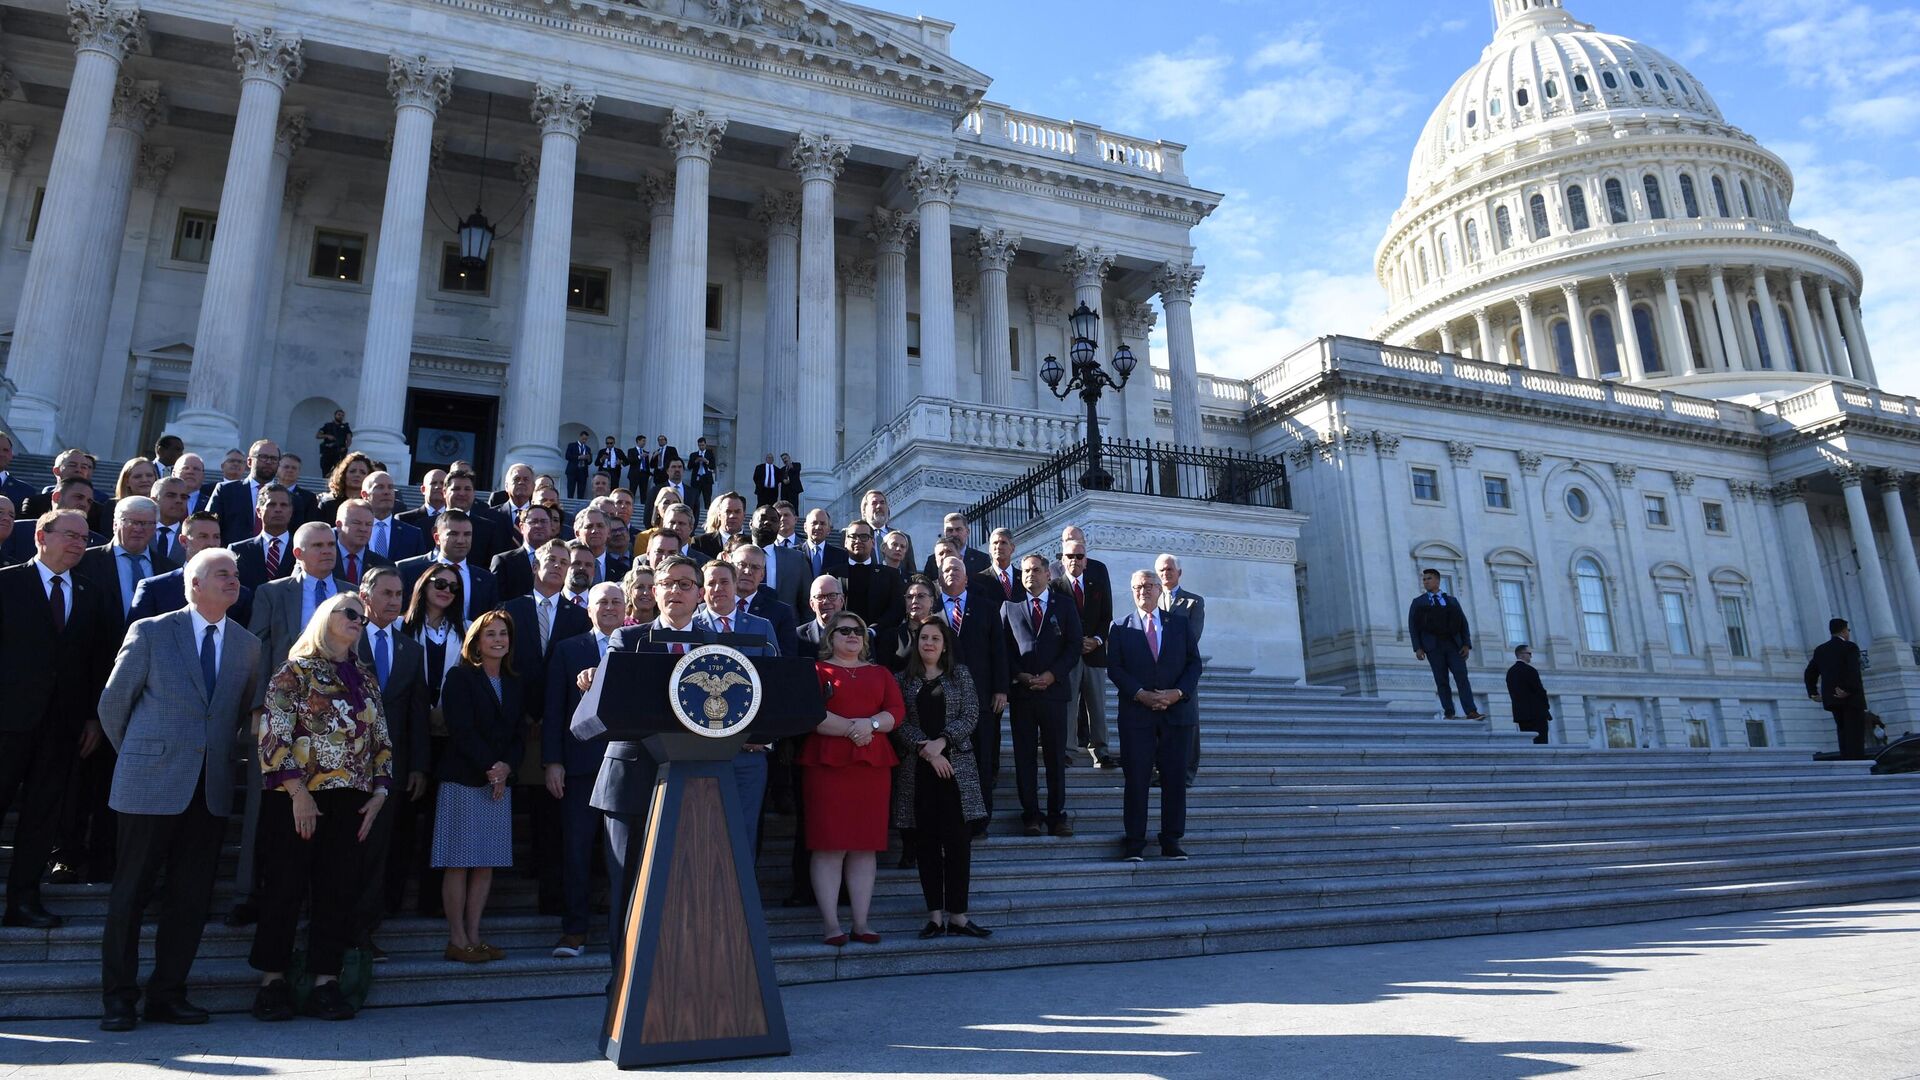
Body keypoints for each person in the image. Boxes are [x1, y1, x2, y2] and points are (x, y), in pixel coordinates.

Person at [97, 548, 263, 1031]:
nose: (234, 581)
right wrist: (141, 756)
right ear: (194, 583)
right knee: (130, 895)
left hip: (208, 791)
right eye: (222, 574)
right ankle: (119, 998)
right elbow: (113, 705)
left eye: (235, 574)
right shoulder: (149, 631)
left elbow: (236, 716)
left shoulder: (247, 645)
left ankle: (168, 993)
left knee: (190, 899)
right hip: (149, 786)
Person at [251, 592, 393, 1022]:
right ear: (324, 617)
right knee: (283, 887)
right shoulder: (293, 672)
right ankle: (271, 983)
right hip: (295, 798)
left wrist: (381, 793)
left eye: (363, 618)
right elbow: (272, 736)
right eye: (350, 612)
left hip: (351, 797)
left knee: (337, 891)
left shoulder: (365, 678)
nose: (358, 620)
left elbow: (380, 738)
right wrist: (299, 794)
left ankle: (324, 983)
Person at [0, 509, 114, 928]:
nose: (78, 544)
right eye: (70, 535)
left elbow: (97, 660)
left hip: (62, 727)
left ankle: (24, 901)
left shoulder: (89, 591)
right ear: (41, 537)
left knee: (42, 816)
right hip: (7, 721)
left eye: (84, 538)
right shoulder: (7, 582)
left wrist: (91, 718)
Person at [56, 496, 178, 886]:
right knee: (79, 780)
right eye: (132, 521)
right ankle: (68, 855)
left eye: (148, 523)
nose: (140, 529)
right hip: (87, 692)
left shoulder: (168, 571)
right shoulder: (87, 562)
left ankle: (107, 860)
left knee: (119, 781)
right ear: (115, 522)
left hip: (143, 699)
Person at [802, 610, 901, 946]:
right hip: (828, 767)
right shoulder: (816, 671)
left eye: (858, 630)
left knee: (864, 847)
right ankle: (831, 925)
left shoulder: (881, 673)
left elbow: (896, 712)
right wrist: (853, 729)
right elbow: (811, 713)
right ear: (830, 636)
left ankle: (861, 923)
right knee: (830, 845)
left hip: (871, 769)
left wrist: (869, 726)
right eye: (844, 630)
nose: (852, 635)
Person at [433, 609, 524, 963]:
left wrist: (506, 767)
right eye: (490, 634)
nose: (498, 640)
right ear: (476, 641)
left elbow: (518, 734)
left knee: (485, 863)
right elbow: (461, 729)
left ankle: (474, 935)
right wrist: (491, 768)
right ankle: (456, 939)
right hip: (465, 779)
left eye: (503, 634)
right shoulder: (459, 677)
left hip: (499, 782)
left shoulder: (515, 681)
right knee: (458, 862)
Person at [892, 617, 989, 938]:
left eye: (935, 638)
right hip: (919, 774)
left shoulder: (959, 675)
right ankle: (935, 916)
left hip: (957, 772)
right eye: (923, 638)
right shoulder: (903, 680)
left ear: (945, 644)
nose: (929, 643)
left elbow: (971, 714)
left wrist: (942, 742)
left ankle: (958, 916)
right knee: (927, 845)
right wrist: (927, 751)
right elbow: (900, 723)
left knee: (959, 845)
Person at [351, 568, 430, 959]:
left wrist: (417, 766)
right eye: (385, 593)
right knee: (341, 851)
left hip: (389, 769)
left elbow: (417, 712)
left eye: (399, 594)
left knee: (377, 852)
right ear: (364, 595)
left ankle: (364, 931)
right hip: (341, 767)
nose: (393, 600)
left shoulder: (410, 650)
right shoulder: (342, 640)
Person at [542, 581, 622, 959]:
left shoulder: (639, 647)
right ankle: (574, 931)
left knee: (621, 854)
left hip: (627, 767)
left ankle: (624, 933)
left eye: (615, 602)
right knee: (575, 851)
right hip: (579, 768)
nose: (609, 608)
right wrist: (553, 761)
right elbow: (554, 710)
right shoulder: (567, 650)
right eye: (601, 602)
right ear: (587, 609)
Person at [1108, 570, 1201, 862]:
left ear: (1160, 590)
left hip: (1176, 715)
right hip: (1137, 715)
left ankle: (1171, 840)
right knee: (1136, 780)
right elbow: (1115, 668)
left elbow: (1193, 665)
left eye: (1149, 586)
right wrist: (1140, 694)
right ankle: (1135, 842)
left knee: (1174, 780)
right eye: (1137, 587)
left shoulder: (1180, 624)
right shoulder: (1119, 626)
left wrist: (1177, 694)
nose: (1143, 591)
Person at [1001, 553, 1080, 837]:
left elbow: (1073, 647)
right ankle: (1031, 815)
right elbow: (1003, 649)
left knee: (1055, 758)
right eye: (1025, 571)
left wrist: (1052, 675)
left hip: (1055, 693)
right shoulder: (1009, 607)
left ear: (1048, 575)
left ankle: (1058, 815)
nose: (1030, 575)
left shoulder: (1066, 606)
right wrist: (1019, 675)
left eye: (1035, 570)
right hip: (1023, 694)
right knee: (1025, 758)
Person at [935, 555, 1009, 830]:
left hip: (981, 696)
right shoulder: (931, 610)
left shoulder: (987, 608)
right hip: (941, 698)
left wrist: (1001, 689)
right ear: (939, 577)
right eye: (946, 570)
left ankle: (979, 818)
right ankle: (950, 815)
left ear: (967, 578)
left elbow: (999, 651)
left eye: (957, 569)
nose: (951, 573)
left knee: (981, 759)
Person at [130, 512, 256, 627]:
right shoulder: (154, 589)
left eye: (216, 537)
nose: (211, 543)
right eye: (203, 536)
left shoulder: (240, 595)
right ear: (184, 541)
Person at [1058, 532, 1116, 769]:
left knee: (1097, 706)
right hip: (1069, 656)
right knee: (1069, 705)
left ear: (1085, 560)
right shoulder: (1055, 587)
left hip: (1095, 654)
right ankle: (1067, 750)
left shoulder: (1097, 584)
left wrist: (1098, 640)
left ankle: (1101, 752)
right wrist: (1074, 642)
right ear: (1062, 559)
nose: (1074, 560)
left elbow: (1106, 617)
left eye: (1079, 556)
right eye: (1070, 556)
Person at [1156, 553, 1207, 784]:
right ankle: (1161, 771)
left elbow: (1193, 635)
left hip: (1183, 669)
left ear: (1179, 573)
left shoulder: (1193, 602)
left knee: (1189, 721)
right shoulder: (1152, 600)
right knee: (1160, 724)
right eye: (1162, 570)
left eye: (1169, 569)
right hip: (1156, 671)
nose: (1165, 573)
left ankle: (1187, 772)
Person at [1408, 567, 1483, 720]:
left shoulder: (1451, 600)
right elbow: (1413, 626)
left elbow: (1463, 623)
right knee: (1441, 680)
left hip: (1453, 645)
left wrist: (1466, 644)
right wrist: (1418, 647)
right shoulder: (1418, 602)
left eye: (1429, 578)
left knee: (1462, 677)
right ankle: (1449, 712)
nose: (1426, 582)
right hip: (1433, 647)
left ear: (1437, 580)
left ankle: (1471, 711)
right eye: (1424, 579)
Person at [396, 510, 499, 619]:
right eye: (453, 534)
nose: (461, 540)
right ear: (437, 538)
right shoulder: (410, 572)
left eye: (467, 534)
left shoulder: (487, 580)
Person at [1806, 618, 1868, 760]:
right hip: (1851, 698)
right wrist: (1847, 689)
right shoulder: (1850, 647)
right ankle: (1856, 764)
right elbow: (1853, 671)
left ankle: (1846, 761)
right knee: (1855, 734)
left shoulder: (1821, 650)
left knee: (1842, 732)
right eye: (1848, 630)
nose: (1848, 633)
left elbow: (1810, 672)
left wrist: (1813, 692)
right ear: (1844, 630)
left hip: (1832, 699)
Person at [729, 540, 800, 659]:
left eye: (755, 567)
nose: (748, 571)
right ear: (731, 568)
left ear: (762, 575)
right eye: (742, 565)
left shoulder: (781, 613)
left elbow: (787, 659)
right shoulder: (709, 608)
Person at [210, 439, 283, 546]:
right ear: (249, 462)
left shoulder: (289, 497)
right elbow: (209, 526)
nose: (268, 462)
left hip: (273, 559)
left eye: (273, 459)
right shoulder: (225, 491)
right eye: (263, 457)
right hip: (230, 558)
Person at [230, 483, 298, 592]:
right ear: (258, 511)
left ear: (291, 511)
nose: (278, 509)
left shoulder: (304, 549)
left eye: (284, 505)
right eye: (271, 504)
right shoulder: (238, 550)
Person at [840, 520, 906, 630]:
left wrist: (874, 631)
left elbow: (896, 610)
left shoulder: (890, 575)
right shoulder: (831, 574)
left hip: (878, 641)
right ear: (845, 542)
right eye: (853, 536)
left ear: (873, 542)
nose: (858, 541)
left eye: (864, 537)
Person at [877, 575, 941, 673]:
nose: (914, 601)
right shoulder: (891, 636)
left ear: (932, 601)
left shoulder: (945, 634)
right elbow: (883, 674)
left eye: (921, 596)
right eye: (909, 597)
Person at [360, 471, 427, 563]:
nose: (387, 492)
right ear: (365, 495)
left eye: (390, 487)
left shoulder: (413, 535)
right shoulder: (354, 530)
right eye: (380, 487)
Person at [753, 504, 809, 614]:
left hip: (783, 628)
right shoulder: (735, 556)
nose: (767, 522)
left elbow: (806, 603)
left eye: (774, 520)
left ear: (779, 526)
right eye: (763, 518)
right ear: (751, 523)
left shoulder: (797, 559)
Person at [1506, 644, 1551, 744]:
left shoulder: (1510, 672)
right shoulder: (1530, 670)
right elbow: (1540, 691)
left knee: (1529, 744)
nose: (1531, 656)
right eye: (1529, 653)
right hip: (1536, 714)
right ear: (1521, 654)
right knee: (1541, 743)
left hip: (1522, 716)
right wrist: (1546, 707)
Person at [924, 513, 990, 577]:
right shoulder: (933, 560)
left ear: (967, 532)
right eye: (950, 530)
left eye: (958, 529)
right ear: (944, 533)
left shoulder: (982, 560)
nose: (954, 534)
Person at [316, 452, 375, 525]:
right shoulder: (328, 505)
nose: (357, 475)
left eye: (362, 472)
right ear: (343, 474)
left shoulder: (373, 506)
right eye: (352, 471)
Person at [148, 475, 191, 566]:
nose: (179, 500)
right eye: (171, 495)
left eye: (183, 497)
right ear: (154, 501)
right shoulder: (140, 532)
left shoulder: (191, 538)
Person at [274, 453, 319, 529]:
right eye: (286, 467)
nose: (290, 470)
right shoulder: (266, 493)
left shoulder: (308, 498)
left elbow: (309, 526)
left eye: (294, 468)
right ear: (277, 469)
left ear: (299, 472)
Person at [316, 409, 354, 476]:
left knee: (337, 469)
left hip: (338, 451)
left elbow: (349, 439)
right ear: (335, 415)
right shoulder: (328, 425)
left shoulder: (345, 427)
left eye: (342, 415)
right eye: (339, 415)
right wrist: (327, 436)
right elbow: (318, 435)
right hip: (327, 450)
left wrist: (345, 447)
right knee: (325, 468)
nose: (340, 416)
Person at [686, 436, 715, 523]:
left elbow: (713, 466)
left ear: (705, 445)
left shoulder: (710, 454)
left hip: (707, 479)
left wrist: (706, 461)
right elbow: (689, 467)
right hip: (696, 479)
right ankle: (692, 515)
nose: (701, 447)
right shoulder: (693, 455)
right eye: (700, 445)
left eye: (703, 445)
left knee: (707, 498)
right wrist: (696, 461)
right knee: (694, 497)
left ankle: (708, 517)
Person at [564, 431, 593, 500]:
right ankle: (570, 504)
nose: (584, 441)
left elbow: (590, 462)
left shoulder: (588, 448)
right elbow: (567, 456)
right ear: (580, 437)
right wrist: (579, 457)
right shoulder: (571, 445)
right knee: (571, 490)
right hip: (572, 471)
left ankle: (580, 506)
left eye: (586, 439)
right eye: (583, 439)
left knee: (581, 491)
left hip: (583, 472)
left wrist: (588, 458)